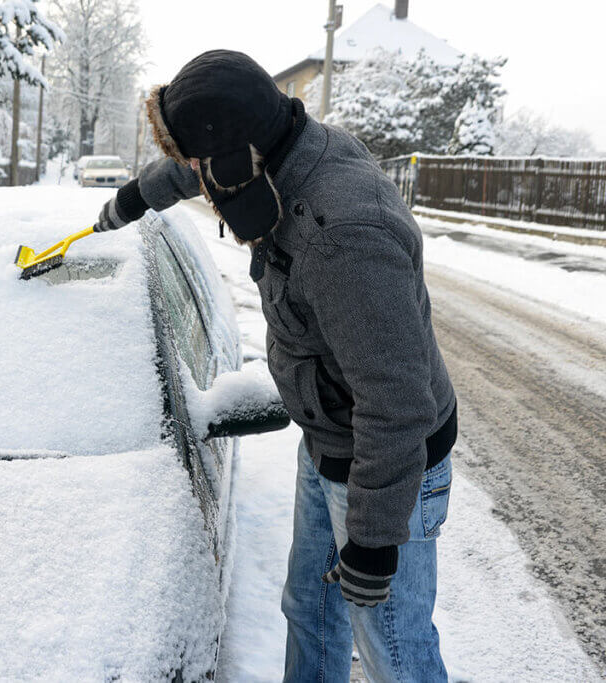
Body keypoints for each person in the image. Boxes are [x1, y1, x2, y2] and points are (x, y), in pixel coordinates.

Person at [93, 50, 457, 682]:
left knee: (392, 648)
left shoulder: (344, 233)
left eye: (206, 166)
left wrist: (372, 541)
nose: (200, 180)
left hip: (386, 466)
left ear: (242, 161)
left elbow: (396, 405)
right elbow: (198, 171)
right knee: (312, 610)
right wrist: (132, 201)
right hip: (330, 440)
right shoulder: (283, 149)